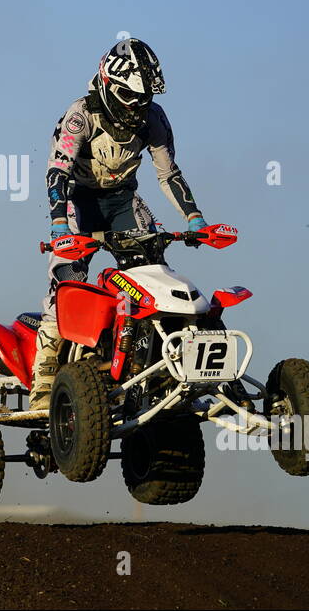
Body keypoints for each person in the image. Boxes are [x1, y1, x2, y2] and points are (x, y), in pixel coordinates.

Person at [32, 38, 209, 410]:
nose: (139, 107)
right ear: (110, 85)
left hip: (123, 201)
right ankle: (44, 385)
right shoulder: (81, 115)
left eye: (145, 99)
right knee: (67, 284)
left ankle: (150, 367)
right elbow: (57, 170)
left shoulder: (154, 118)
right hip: (78, 202)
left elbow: (168, 173)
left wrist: (194, 217)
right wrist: (59, 224)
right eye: (132, 97)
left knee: (155, 272)